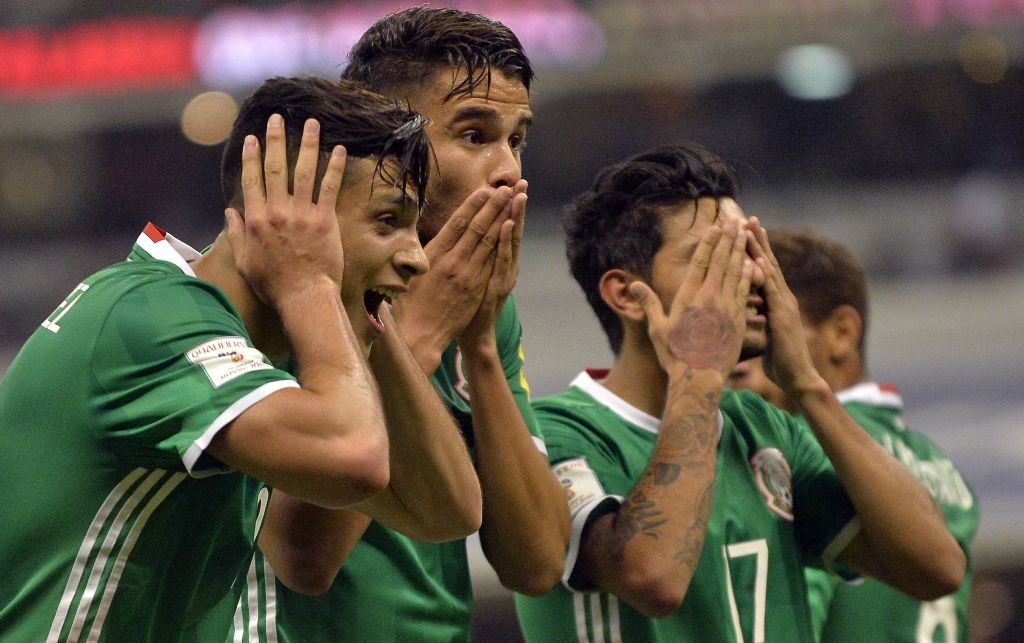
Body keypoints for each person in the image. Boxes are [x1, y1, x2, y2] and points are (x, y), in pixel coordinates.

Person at [0, 75, 482, 641]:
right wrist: (309, 285)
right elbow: (356, 457)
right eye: (388, 221)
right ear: (281, 218)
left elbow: (445, 513)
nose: (417, 258)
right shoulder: (149, 314)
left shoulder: (254, 355)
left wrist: (370, 321)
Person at [514, 144, 966, 642]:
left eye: (750, 252)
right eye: (715, 258)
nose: (750, 274)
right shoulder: (553, 433)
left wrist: (809, 387)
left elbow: (938, 569)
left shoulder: (764, 426)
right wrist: (699, 378)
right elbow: (653, 579)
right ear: (625, 295)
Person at [226, 7, 570, 643]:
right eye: (474, 135)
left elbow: (537, 561)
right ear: (393, 137)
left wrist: (484, 348)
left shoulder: (482, 298)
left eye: (516, 140)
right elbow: (303, 556)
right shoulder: (287, 291)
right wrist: (417, 337)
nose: (508, 171)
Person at [727, 228, 979, 643]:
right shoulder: (941, 465)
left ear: (842, 332)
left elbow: (793, 608)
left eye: (772, 328)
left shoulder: (806, 451)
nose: (746, 357)